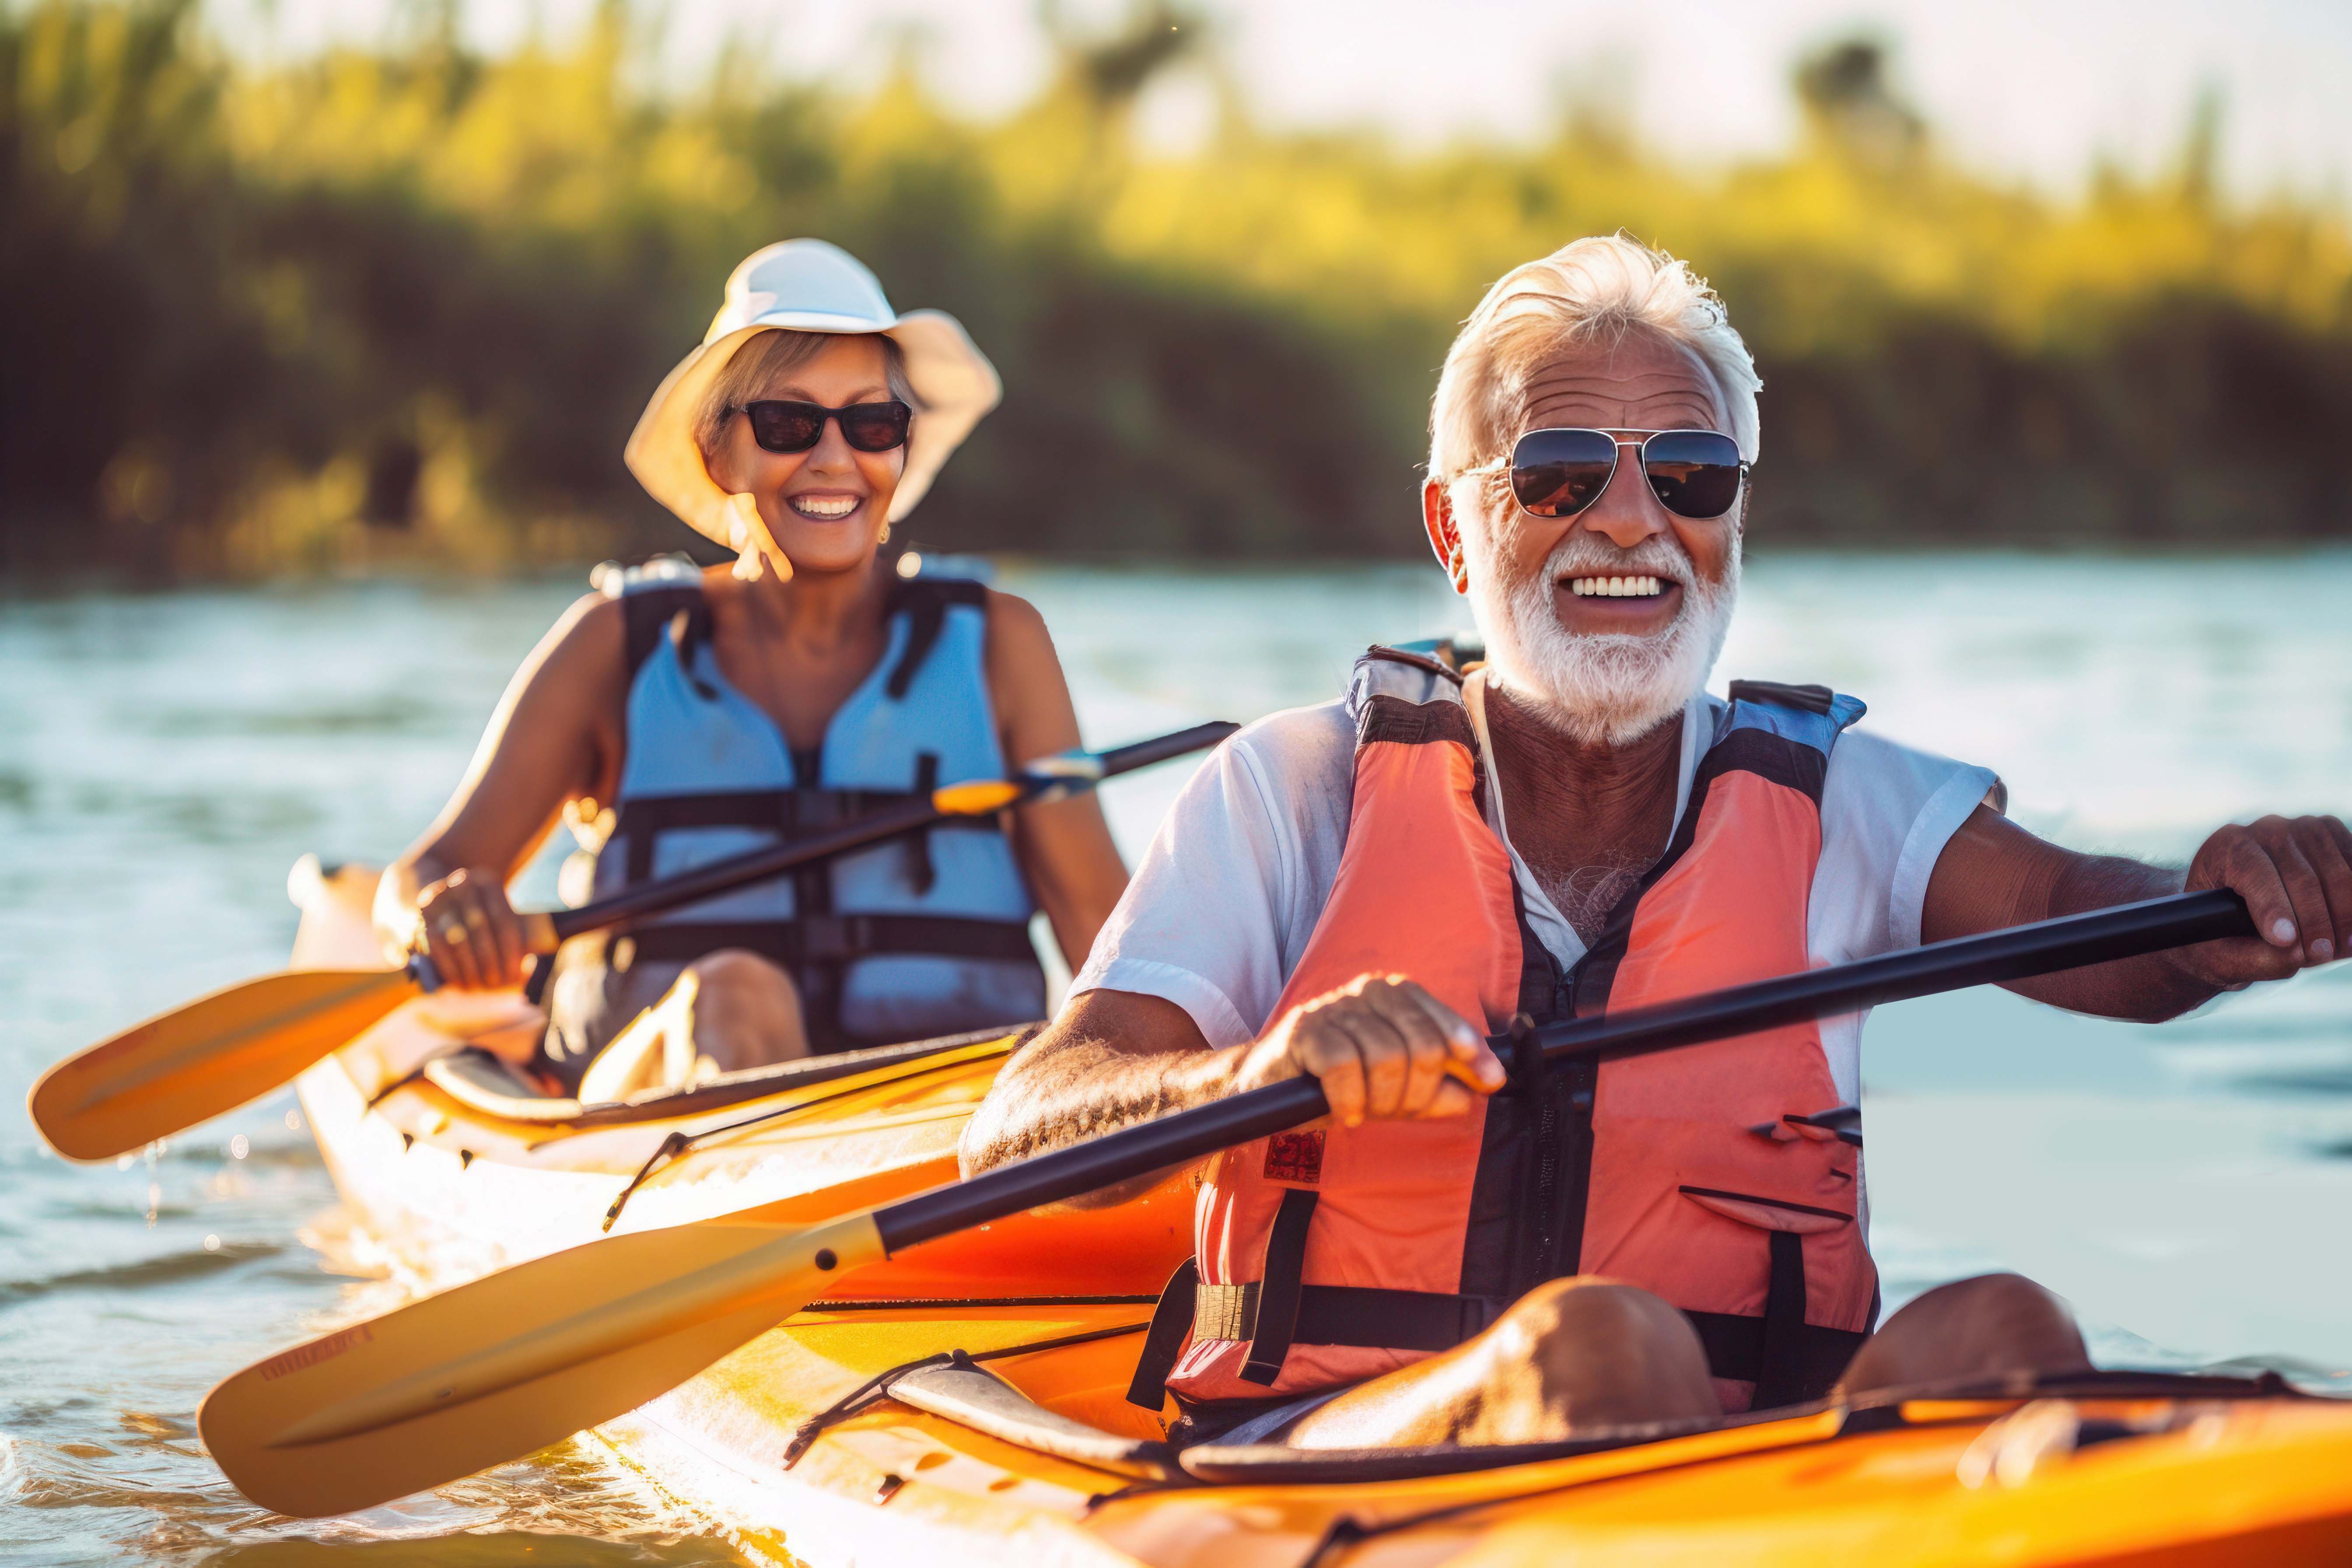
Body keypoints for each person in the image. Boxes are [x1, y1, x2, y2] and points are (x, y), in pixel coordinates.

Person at [959, 234, 2352, 1450]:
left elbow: (2094, 917)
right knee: (1601, 1351)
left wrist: (2229, 908)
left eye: (1689, 473)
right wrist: (1256, 1075)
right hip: (1329, 1446)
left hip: (1740, 1468)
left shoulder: (1839, 802)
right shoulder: (1291, 791)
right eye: (1562, 473)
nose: (1633, 518)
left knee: (2006, 1325)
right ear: (1456, 527)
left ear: (1732, 517)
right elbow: (1023, 1131)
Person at [377, 240, 1128, 1101]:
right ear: (718, 452)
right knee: (739, 992)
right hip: (647, 1127)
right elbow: (424, 876)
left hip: (942, 1128)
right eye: (788, 423)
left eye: (872, 424)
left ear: (902, 450)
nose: (835, 458)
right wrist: (439, 914)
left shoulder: (1002, 644)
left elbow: (1114, 943)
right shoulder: (615, 645)